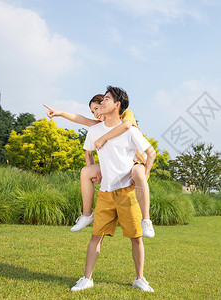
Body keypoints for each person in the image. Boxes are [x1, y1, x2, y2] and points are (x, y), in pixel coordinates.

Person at [71, 86, 156, 292]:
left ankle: (139, 278)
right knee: (95, 237)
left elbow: (151, 153)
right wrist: (95, 173)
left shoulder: (130, 129)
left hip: (127, 192)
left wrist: (143, 177)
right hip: (106, 193)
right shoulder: (95, 130)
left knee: (136, 238)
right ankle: (87, 278)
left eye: (106, 99)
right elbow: (89, 154)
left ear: (117, 105)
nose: (102, 103)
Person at [43, 95, 155, 238]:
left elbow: (127, 125)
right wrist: (60, 113)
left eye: (97, 108)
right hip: (114, 167)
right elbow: (81, 120)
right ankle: (87, 214)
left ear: (108, 105)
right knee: (85, 172)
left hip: (135, 163)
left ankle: (146, 220)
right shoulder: (98, 126)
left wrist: (103, 139)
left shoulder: (127, 115)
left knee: (138, 173)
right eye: (92, 111)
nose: (96, 113)